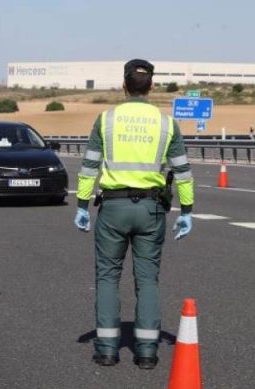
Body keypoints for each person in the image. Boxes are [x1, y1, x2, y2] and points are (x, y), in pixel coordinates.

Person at [74, 59, 195, 370]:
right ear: (151, 86)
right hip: (151, 209)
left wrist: (82, 205)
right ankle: (146, 352)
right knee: (148, 279)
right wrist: (187, 210)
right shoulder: (167, 124)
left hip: (113, 208)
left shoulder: (106, 120)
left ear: (123, 86)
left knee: (107, 277)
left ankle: (106, 350)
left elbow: (89, 165)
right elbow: (182, 171)